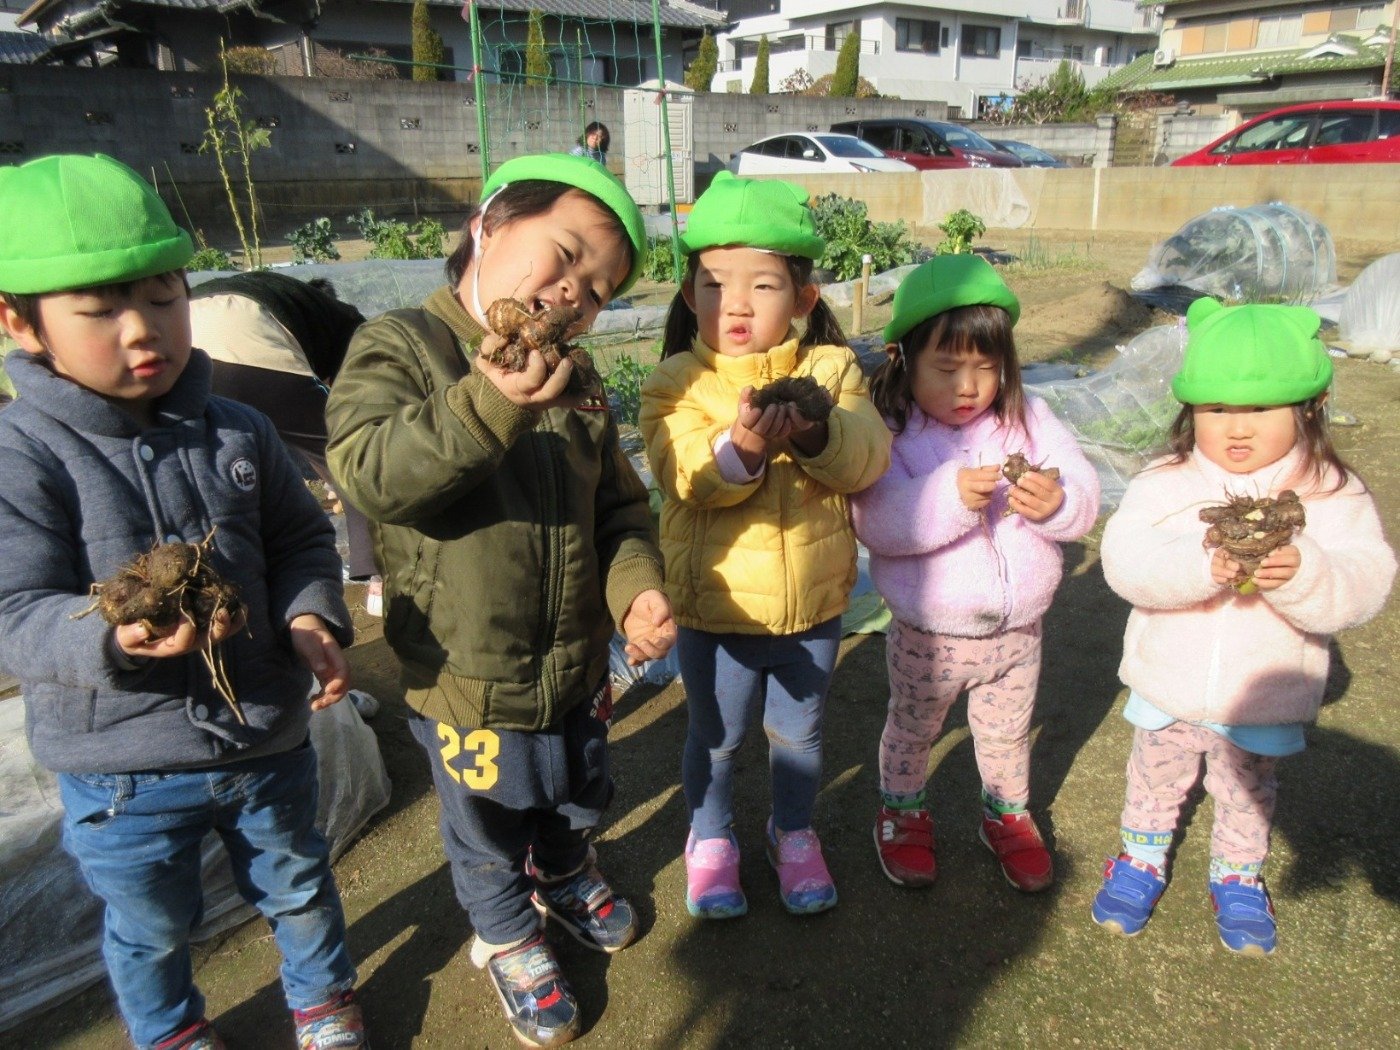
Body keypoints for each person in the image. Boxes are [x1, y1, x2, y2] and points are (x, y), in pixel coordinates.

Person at [0, 154, 365, 1050]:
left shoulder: (237, 429)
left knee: (299, 883)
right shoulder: (24, 457)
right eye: (100, 310)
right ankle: (168, 1029)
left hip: (266, 737)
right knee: (150, 923)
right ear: (18, 321)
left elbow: (300, 540)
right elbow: (13, 610)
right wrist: (110, 641)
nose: (144, 330)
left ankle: (323, 1001)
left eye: (165, 297)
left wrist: (309, 615)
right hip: (121, 772)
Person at [325, 152, 675, 1048]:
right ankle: (509, 933)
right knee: (484, 824)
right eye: (564, 255)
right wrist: (488, 402)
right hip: (464, 677)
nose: (571, 295)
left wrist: (637, 590)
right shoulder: (401, 345)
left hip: (575, 663)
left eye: (597, 291)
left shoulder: (579, 381)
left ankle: (563, 872)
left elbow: (619, 510)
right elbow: (369, 470)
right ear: (487, 225)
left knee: (576, 790)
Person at [1092, 298, 1395, 955]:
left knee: (1248, 791)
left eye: (1259, 409)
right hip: (1169, 685)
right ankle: (1141, 858)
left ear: (1310, 406)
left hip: (1261, 697)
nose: (1236, 428)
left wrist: (1306, 572)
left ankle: (1237, 874)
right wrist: (1201, 565)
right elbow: (1126, 562)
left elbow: (1367, 581)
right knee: (1154, 777)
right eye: (1216, 409)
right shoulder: (1168, 481)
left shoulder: (1331, 492)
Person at [638, 172, 891, 920]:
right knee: (715, 737)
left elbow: (866, 458)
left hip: (812, 607)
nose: (737, 304)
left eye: (764, 285)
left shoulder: (832, 370)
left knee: (799, 734)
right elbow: (682, 473)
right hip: (715, 612)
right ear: (690, 296)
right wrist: (742, 449)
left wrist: (813, 434)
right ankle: (711, 838)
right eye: (714, 284)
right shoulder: (675, 383)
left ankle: (793, 831)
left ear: (805, 298)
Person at [849, 254, 1100, 894]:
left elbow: (1081, 487)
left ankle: (1006, 815)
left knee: (1007, 734)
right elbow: (878, 523)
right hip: (931, 635)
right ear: (903, 358)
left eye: (987, 368)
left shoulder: (1029, 418)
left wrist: (1059, 504)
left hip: (1019, 632)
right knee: (913, 729)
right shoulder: (889, 432)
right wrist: (949, 497)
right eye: (947, 368)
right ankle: (902, 812)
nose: (968, 386)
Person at [187, 271, 378, 586]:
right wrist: (335, 474)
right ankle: (379, 573)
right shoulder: (354, 329)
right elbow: (351, 409)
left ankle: (220, 578)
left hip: (178, 341)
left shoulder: (286, 297)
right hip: (238, 340)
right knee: (351, 452)